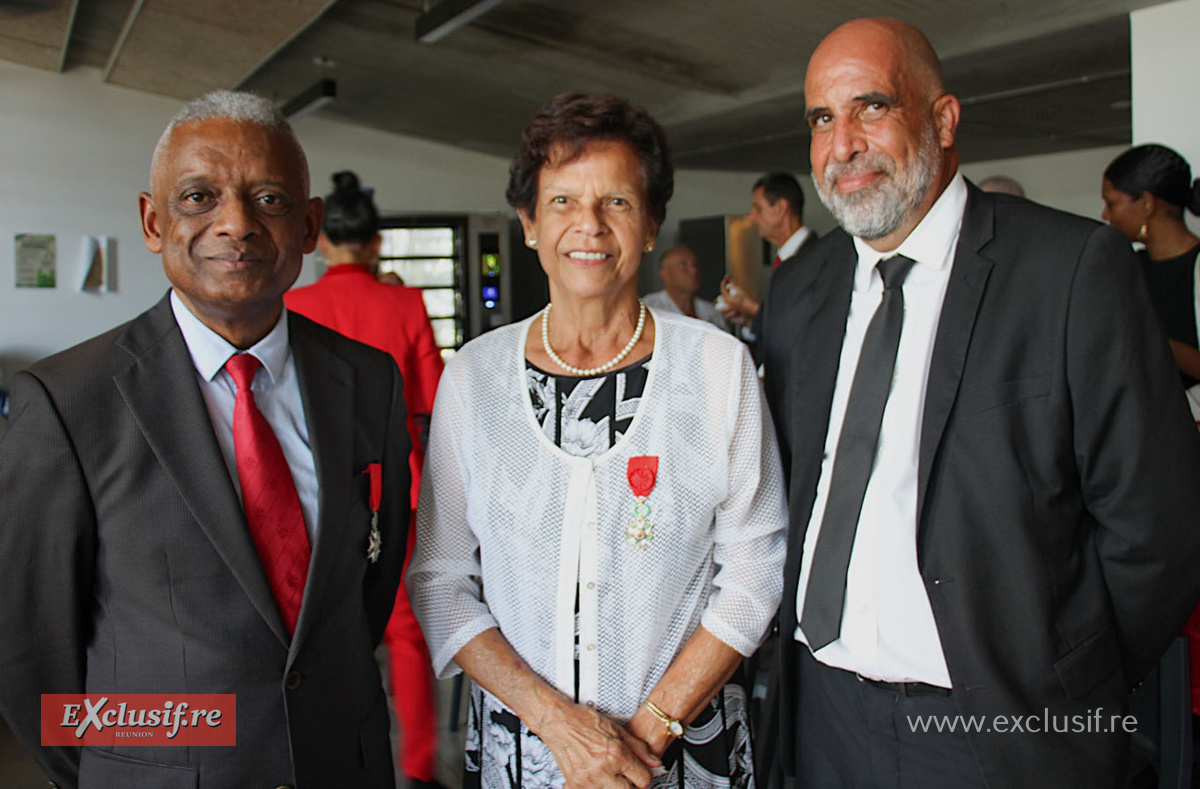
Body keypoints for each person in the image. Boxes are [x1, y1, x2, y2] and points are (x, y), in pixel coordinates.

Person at [760, 18, 1200, 789]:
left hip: (997, 730)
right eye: (822, 119)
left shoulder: (1068, 271)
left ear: (943, 118)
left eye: (870, 107)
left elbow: (1156, 527)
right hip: (819, 713)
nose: (842, 144)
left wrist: (1067, 678)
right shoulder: (801, 290)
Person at [0, 91, 410, 788]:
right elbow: (33, 652)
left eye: (271, 199)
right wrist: (134, 764)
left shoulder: (368, 381)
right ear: (153, 221)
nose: (237, 224)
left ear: (310, 226)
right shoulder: (68, 401)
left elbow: (368, 586)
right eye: (198, 197)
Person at [407, 91, 787, 789]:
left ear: (650, 225)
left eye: (616, 202)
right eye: (561, 202)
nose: (589, 226)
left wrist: (635, 744)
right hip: (527, 750)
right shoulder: (474, 377)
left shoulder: (716, 367)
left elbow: (753, 574)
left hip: (679, 750)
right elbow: (440, 581)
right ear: (527, 223)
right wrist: (561, 726)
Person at [284, 170, 445, 788]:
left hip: (312, 490)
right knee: (405, 631)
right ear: (376, 244)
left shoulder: (293, 305)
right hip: (394, 488)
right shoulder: (404, 303)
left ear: (320, 242)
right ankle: (420, 766)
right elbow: (430, 402)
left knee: (315, 632)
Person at [1101, 144, 1200, 405]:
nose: (1105, 215)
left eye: (1112, 204)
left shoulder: (1196, 266)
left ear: (1146, 203)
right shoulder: (1127, 267)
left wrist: (1147, 337)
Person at [718, 172, 817, 335]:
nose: (751, 218)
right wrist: (748, 321)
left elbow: (802, 326)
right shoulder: (785, 259)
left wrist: (751, 307)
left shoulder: (815, 259)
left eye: (758, 208)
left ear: (780, 208)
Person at [641, 245, 729, 330]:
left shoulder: (711, 311)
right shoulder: (649, 307)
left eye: (695, 264)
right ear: (665, 274)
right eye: (683, 265)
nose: (693, 270)